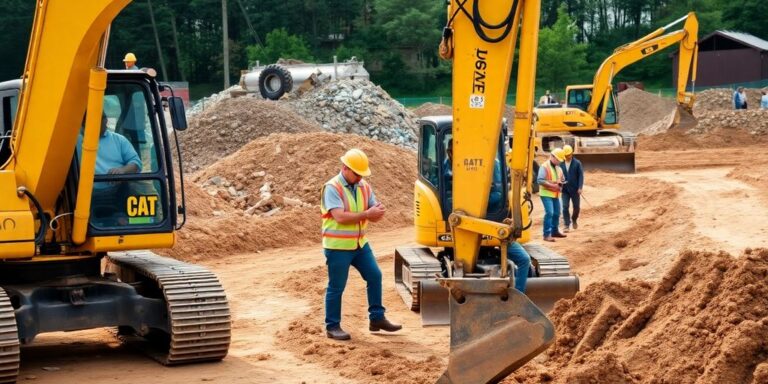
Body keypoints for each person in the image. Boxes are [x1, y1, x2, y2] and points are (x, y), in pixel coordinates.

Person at [320, 148, 401, 341]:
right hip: (338, 247)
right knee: (337, 286)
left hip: (359, 244)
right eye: (357, 174)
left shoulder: (364, 186)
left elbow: (373, 210)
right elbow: (339, 216)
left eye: (362, 174)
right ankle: (332, 326)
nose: (359, 178)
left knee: (375, 275)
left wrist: (377, 212)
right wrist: (367, 214)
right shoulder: (332, 187)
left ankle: (377, 318)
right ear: (345, 168)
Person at [442, 139, 531, 293]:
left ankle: (518, 296)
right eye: (452, 152)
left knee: (524, 260)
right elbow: (440, 184)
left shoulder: (493, 164)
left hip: (493, 227)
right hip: (461, 224)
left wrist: (479, 200)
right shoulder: (445, 165)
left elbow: (498, 192)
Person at [537, 148, 567, 242]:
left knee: (557, 213)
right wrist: (553, 185)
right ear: (552, 157)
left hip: (556, 194)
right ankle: (546, 235)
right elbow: (540, 180)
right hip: (546, 193)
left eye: (560, 160)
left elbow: (562, 179)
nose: (559, 162)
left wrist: (561, 183)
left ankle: (555, 231)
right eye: (558, 160)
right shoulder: (544, 166)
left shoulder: (559, 168)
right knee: (549, 213)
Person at [559, 145, 583, 232]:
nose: (567, 157)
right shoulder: (561, 164)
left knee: (576, 207)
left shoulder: (577, 163)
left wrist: (580, 187)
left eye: (568, 155)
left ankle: (574, 219)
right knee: (565, 207)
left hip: (575, 190)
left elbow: (581, 176)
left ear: (572, 153)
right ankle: (566, 224)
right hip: (565, 190)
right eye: (565, 155)